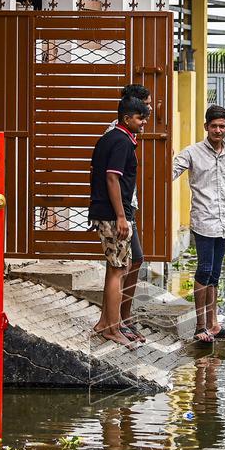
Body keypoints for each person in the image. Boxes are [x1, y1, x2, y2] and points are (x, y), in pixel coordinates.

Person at [172, 105, 225, 343]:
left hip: (223, 224)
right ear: (206, 127)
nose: (218, 130)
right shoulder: (192, 153)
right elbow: (169, 170)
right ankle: (200, 325)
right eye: (214, 126)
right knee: (204, 270)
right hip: (203, 221)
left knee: (215, 275)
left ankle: (214, 325)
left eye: (222, 126)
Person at [91, 96, 149, 346]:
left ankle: (105, 322)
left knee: (116, 268)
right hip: (113, 215)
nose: (144, 122)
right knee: (118, 270)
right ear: (127, 119)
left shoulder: (109, 137)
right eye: (140, 118)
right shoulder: (121, 142)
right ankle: (112, 330)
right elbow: (112, 179)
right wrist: (121, 216)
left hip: (105, 212)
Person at [105, 85, 153, 343]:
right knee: (124, 263)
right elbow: (111, 177)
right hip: (119, 210)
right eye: (143, 108)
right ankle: (116, 322)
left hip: (125, 206)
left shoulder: (125, 135)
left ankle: (116, 320)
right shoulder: (118, 136)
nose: (147, 114)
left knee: (125, 262)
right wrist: (121, 215)